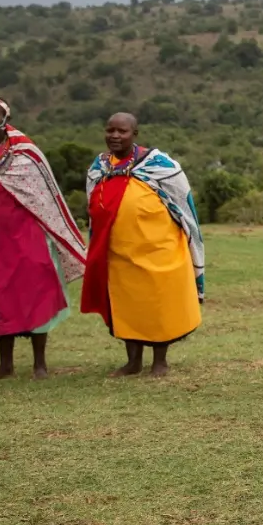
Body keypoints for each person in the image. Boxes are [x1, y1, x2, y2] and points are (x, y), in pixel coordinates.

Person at [82, 112, 205, 377]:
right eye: (110, 130)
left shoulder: (161, 165)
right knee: (127, 306)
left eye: (122, 131)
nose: (115, 136)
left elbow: (184, 206)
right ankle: (133, 362)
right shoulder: (99, 167)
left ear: (134, 134)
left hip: (159, 249)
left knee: (159, 304)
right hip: (118, 252)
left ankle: (160, 361)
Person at [0, 95, 86, 380]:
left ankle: (40, 364)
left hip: (28, 236)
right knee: (1, 299)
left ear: (6, 118)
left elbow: (46, 198)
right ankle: (5, 365)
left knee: (37, 293)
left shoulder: (25, 152)